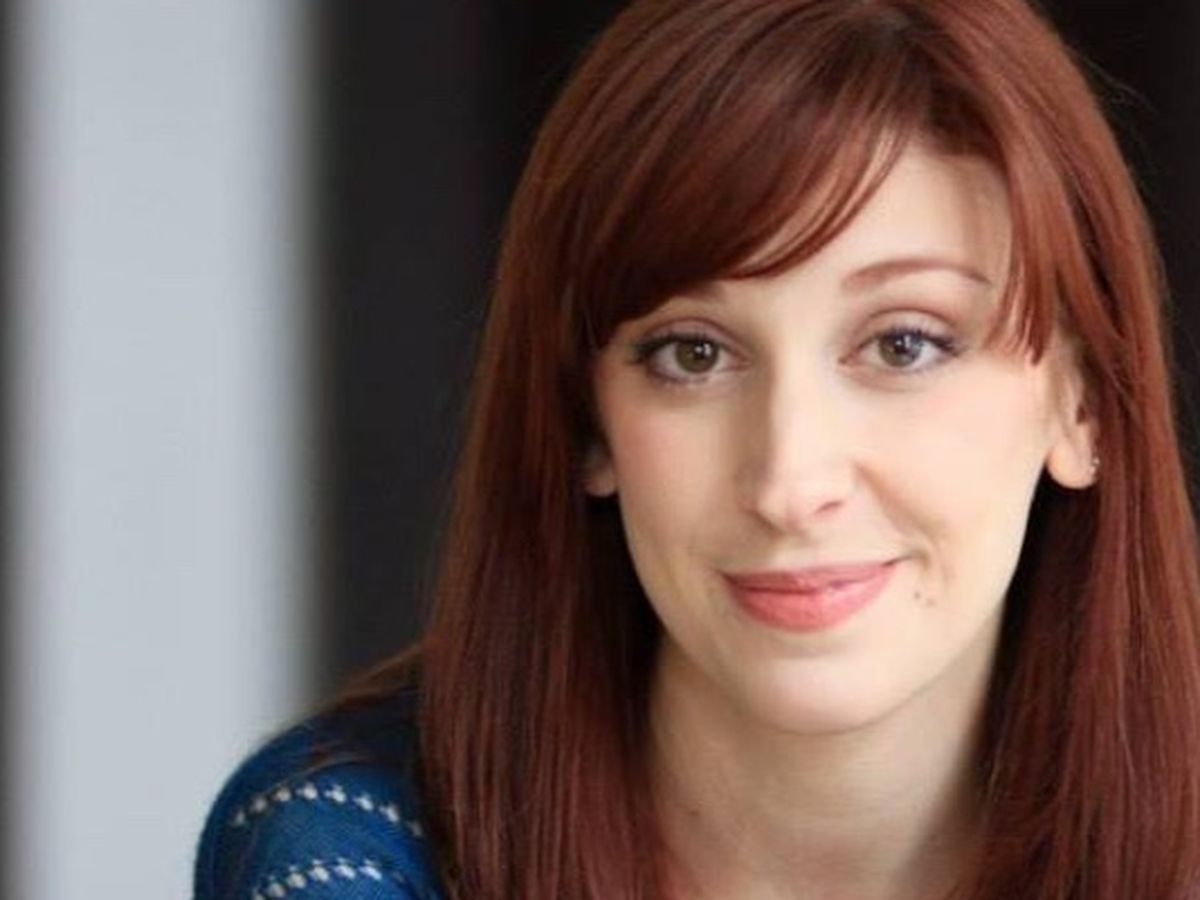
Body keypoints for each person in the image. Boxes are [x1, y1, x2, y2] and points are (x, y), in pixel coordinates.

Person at [193, 0, 1200, 897]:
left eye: (905, 344)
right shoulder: (351, 847)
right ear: (588, 420)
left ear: (1083, 404)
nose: (789, 481)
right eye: (694, 353)